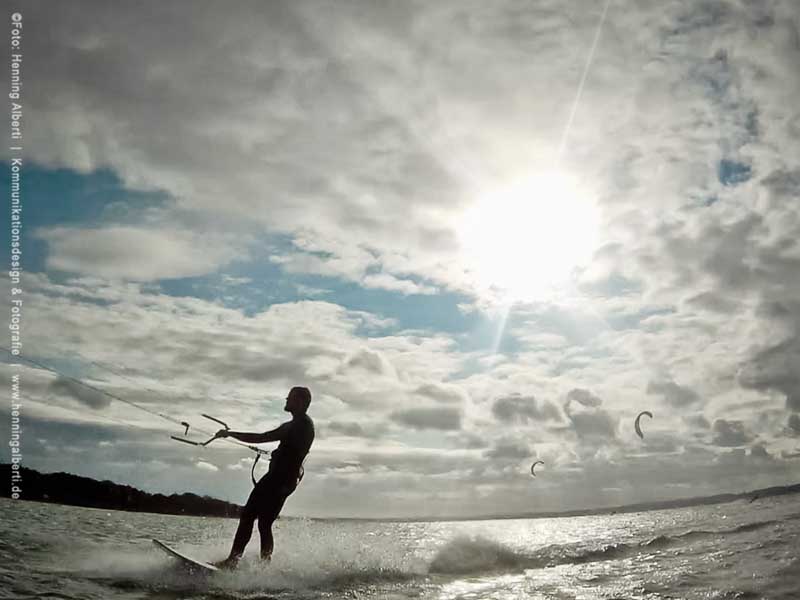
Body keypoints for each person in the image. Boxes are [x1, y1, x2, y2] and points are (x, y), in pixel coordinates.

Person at [214, 386, 315, 568]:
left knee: (248, 516)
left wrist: (230, 434)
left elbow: (262, 437)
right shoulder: (299, 424)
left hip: (278, 480)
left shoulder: (300, 425)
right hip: (284, 481)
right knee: (264, 523)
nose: (286, 400)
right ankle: (264, 567)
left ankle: (232, 561)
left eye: (290, 398)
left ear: (299, 402)